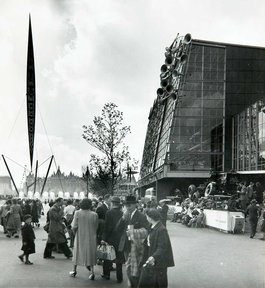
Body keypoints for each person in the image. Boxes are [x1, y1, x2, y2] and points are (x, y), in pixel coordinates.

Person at [116, 195, 149, 288]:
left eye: (129, 205)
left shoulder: (141, 216)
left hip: (137, 246)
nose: (127, 207)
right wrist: (122, 218)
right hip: (126, 244)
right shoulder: (125, 215)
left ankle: (135, 285)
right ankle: (131, 283)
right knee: (128, 267)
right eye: (126, 205)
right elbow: (117, 229)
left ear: (135, 205)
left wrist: (133, 232)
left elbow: (146, 230)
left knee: (136, 268)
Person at [138, 209, 174, 288]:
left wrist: (154, 257)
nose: (146, 218)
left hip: (159, 261)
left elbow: (162, 247)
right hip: (153, 258)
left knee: (159, 282)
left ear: (150, 218)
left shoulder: (161, 230)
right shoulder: (153, 226)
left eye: (147, 216)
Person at [69, 198, 98, 280]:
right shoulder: (94, 214)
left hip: (80, 235)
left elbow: (74, 226)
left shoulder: (77, 213)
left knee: (77, 252)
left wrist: (75, 233)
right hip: (91, 236)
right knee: (90, 253)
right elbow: (96, 226)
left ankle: (74, 270)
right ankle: (92, 272)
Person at [101, 196, 124, 283]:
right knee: (119, 258)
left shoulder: (109, 213)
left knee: (108, 257)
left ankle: (106, 274)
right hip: (120, 239)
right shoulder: (122, 213)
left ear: (112, 203)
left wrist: (104, 238)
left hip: (110, 238)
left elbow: (107, 227)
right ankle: (119, 277)